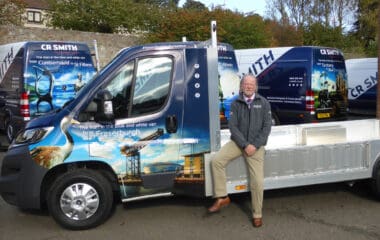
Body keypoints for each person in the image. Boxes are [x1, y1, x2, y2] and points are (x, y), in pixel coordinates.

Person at [208, 74, 272, 228]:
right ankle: (222, 197)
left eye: (251, 84)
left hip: (256, 146)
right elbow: (233, 127)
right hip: (238, 143)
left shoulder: (263, 103)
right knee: (216, 161)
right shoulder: (236, 103)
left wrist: (254, 145)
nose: (248, 86)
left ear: (255, 86)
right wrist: (244, 145)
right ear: (242, 86)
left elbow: (266, 127)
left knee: (257, 181)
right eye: (246, 84)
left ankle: (257, 214)